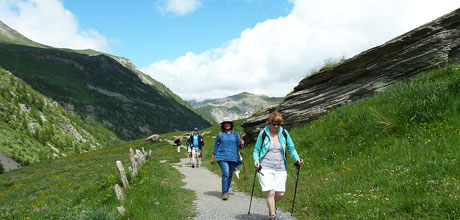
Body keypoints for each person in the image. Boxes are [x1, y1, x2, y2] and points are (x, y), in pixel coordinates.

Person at [253, 112, 304, 219]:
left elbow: (291, 148)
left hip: (280, 168)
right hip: (265, 167)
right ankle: (273, 215)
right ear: (269, 123)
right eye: (274, 124)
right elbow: (256, 150)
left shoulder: (284, 133)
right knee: (271, 192)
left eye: (278, 124)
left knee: (280, 194)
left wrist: (297, 158)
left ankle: (270, 203)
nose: (276, 126)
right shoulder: (263, 133)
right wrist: (256, 161)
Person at [211, 117, 244, 200]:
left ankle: (226, 190)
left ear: (231, 124)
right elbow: (216, 146)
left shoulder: (235, 134)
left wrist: (242, 143)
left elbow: (240, 146)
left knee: (229, 175)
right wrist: (213, 156)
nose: (227, 124)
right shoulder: (220, 134)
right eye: (225, 123)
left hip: (233, 157)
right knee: (225, 173)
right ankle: (224, 193)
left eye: (228, 123)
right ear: (223, 124)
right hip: (222, 157)